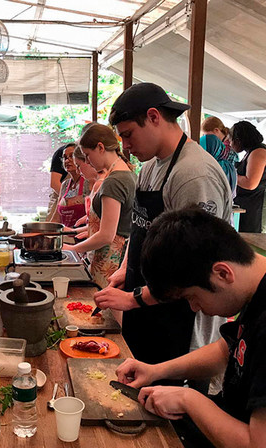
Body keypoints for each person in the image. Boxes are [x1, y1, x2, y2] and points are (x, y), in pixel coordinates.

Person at [116, 208, 266, 448]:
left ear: (222, 273)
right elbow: (228, 350)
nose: (193, 307)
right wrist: (156, 371)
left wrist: (188, 399)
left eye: (192, 297)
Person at [94, 82, 233, 369]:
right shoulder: (150, 167)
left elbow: (193, 266)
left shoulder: (193, 174)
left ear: (155, 117)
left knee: (171, 403)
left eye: (129, 135)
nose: (126, 147)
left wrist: (134, 299)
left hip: (182, 315)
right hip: (147, 304)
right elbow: (139, 226)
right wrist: (125, 270)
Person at [63, 125, 136, 300]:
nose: (87, 162)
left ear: (101, 148)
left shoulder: (114, 181)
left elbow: (106, 235)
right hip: (116, 257)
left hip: (110, 259)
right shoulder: (128, 174)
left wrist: (72, 249)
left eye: (88, 155)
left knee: (104, 312)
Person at [229, 121, 266, 232]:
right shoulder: (251, 152)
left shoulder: (258, 152)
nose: (230, 144)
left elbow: (250, 183)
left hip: (259, 204)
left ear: (238, 140)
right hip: (252, 202)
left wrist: (231, 175)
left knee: (254, 240)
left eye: (231, 140)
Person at [66, 144, 104, 241]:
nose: (78, 171)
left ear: (88, 161)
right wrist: (72, 231)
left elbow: (107, 230)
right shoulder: (96, 183)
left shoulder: (102, 184)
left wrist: (72, 247)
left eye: (78, 166)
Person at [48, 143, 90, 227]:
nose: (67, 160)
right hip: (64, 235)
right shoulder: (64, 185)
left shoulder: (88, 182)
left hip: (82, 236)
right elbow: (57, 218)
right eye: (65, 158)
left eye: (71, 156)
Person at [46, 144, 69, 220]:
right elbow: (54, 183)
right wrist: (67, 201)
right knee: (53, 228)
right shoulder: (61, 152)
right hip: (58, 198)